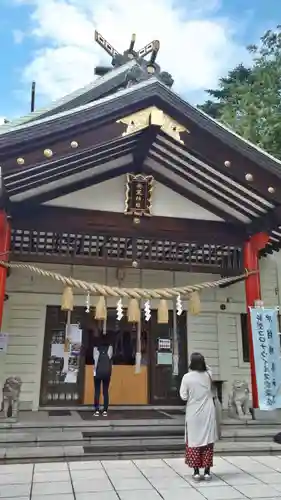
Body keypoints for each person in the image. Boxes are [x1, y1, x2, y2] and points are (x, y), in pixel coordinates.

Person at [180, 352, 217, 482]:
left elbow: (183, 396)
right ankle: (207, 472)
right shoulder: (208, 375)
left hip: (193, 412)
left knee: (194, 441)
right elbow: (208, 368)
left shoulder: (187, 377)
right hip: (208, 411)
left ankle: (196, 471)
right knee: (207, 441)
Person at [93, 331, 113, 417]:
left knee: (97, 391)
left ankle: (97, 410)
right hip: (107, 373)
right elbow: (110, 357)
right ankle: (105, 411)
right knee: (105, 391)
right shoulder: (110, 347)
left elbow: (95, 359)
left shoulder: (95, 348)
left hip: (97, 372)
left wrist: (95, 370)